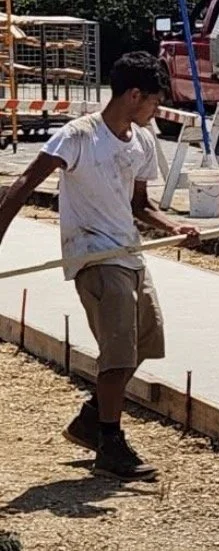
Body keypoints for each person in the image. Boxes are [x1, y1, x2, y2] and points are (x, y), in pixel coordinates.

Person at [0, 51, 199, 481]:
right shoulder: (79, 137)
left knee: (144, 342)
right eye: (154, 102)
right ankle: (110, 444)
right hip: (93, 255)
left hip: (129, 254)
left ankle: (92, 419)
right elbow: (24, 184)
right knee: (118, 352)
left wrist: (174, 226)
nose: (156, 110)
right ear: (134, 95)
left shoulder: (142, 141)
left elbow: (139, 205)